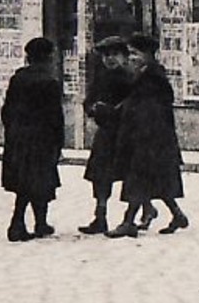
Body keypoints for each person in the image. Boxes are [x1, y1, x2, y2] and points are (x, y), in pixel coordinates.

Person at [107, 35, 189, 238]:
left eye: (135, 53)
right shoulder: (145, 75)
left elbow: (149, 109)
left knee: (138, 179)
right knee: (157, 181)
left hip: (149, 138)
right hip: (148, 138)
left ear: (147, 55)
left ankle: (128, 222)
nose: (131, 58)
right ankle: (177, 215)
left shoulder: (152, 77)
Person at [0, 36, 64, 242]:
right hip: (41, 139)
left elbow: (7, 109)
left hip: (18, 137)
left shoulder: (18, 78)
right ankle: (19, 223)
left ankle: (38, 223)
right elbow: (55, 116)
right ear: (47, 58)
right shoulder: (49, 82)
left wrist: (12, 131)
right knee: (38, 180)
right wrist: (58, 141)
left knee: (26, 180)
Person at [78, 35, 132, 234]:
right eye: (106, 55)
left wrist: (112, 110)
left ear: (124, 56)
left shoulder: (130, 78)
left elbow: (133, 104)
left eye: (114, 54)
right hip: (106, 132)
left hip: (126, 132)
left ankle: (141, 211)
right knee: (100, 175)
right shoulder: (101, 77)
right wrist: (92, 108)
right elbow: (89, 100)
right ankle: (100, 216)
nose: (110, 59)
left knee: (131, 175)